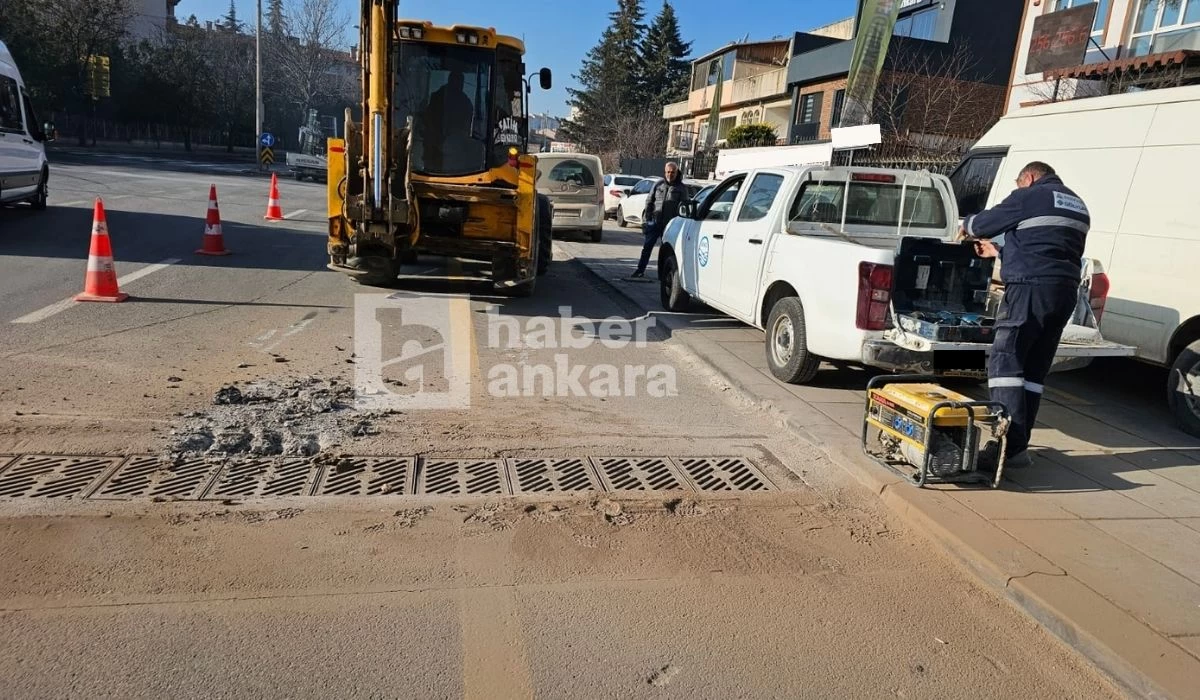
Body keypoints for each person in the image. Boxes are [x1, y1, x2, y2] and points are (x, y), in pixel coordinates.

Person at [959, 161, 1090, 469]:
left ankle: (1006, 445)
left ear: (1029, 178)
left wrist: (967, 224)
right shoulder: (1078, 204)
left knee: (1006, 360)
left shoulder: (1030, 196)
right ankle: (1018, 447)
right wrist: (1002, 251)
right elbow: (1046, 246)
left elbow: (982, 224)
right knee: (1032, 370)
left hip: (1030, 288)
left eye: (1018, 185)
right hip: (1063, 292)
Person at [631, 162, 688, 279]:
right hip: (654, 222)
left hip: (670, 225)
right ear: (665, 172)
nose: (670, 174)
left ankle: (664, 275)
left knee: (667, 251)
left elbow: (684, 207)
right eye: (668, 172)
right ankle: (640, 270)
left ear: (677, 173)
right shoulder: (658, 185)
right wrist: (647, 220)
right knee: (647, 247)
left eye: (673, 172)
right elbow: (649, 201)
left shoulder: (681, 188)